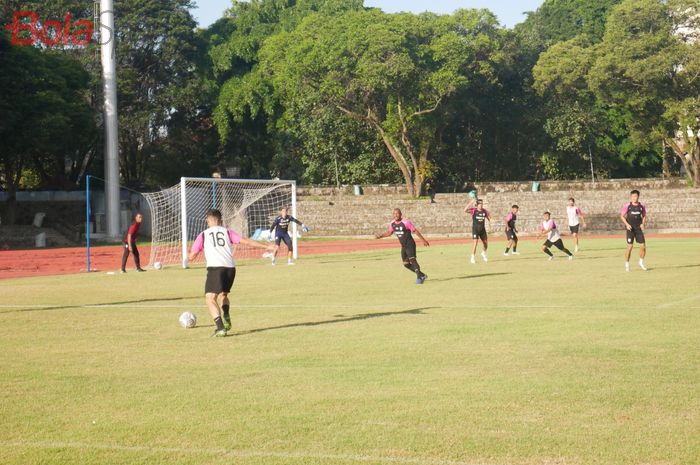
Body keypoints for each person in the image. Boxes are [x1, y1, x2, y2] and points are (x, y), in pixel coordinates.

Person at [188, 209, 274, 337]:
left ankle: (220, 328)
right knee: (223, 295)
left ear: (209, 220)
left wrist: (187, 254)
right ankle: (226, 313)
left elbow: (192, 257)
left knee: (210, 298)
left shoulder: (204, 235)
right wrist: (266, 247)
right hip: (230, 269)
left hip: (216, 268)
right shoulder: (227, 232)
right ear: (220, 220)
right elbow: (246, 241)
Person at [375, 208, 429, 284]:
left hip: (410, 244)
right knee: (406, 264)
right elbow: (389, 232)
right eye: (394, 214)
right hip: (403, 246)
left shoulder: (406, 222)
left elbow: (415, 231)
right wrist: (381, 236)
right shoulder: (392, 223)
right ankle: (421, 274)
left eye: (397, 213)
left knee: (413, 260)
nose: (396, 215)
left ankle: (419, 278)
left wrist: (423, 240)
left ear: (401, 214)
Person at [620, 189, 647, 272]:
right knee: (630, 247)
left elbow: (644, 216)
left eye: (635, 196)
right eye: (632, 196)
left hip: (638, 228)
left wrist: (643, 223)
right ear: (630, 197)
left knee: (643, 246)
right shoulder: (627, 206)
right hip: (630, 229)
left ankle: (641, 262)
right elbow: (621, 216)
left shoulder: (641, 206)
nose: (634, 198)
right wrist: (627, 225)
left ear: (638, 197)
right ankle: (627, 264)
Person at [464, 198, 491, 264]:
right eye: (480, 204)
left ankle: (483, 253)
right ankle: (472, 257)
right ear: (477, 205)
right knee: (475, 243)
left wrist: (492, 221)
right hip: (475, 230)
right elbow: (465, 210)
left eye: (482, 204)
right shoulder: (474, 210)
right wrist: (471, 202)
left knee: (486, 244)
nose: (481, 205)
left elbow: (489, 218)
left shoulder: (484, 211)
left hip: (482, 230)